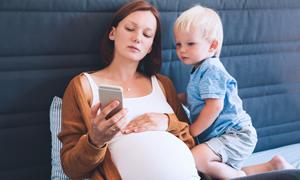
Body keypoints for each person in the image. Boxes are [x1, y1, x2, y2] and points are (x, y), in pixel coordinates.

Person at [58, 0, 200, 179]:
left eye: (147, 35)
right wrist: (95, 140)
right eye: (130, 29)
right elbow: (71, 169)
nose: (138, 38)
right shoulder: (83, 86)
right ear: (113, 33)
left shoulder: (163, 84)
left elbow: (191, 141)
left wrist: (167, 122)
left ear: (150, 48)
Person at [173, 5, 294, 179]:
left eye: (190, 43)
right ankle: (274, 166)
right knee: (208, 169)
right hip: (223, 136)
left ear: (212, 45)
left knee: (197, 159)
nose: (182, 50)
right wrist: (173, 99)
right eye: (178, 44)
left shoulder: (211, 69)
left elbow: (214, 106)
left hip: (236, 134)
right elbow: (194, 97)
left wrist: (191, 131)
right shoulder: (198, 70)